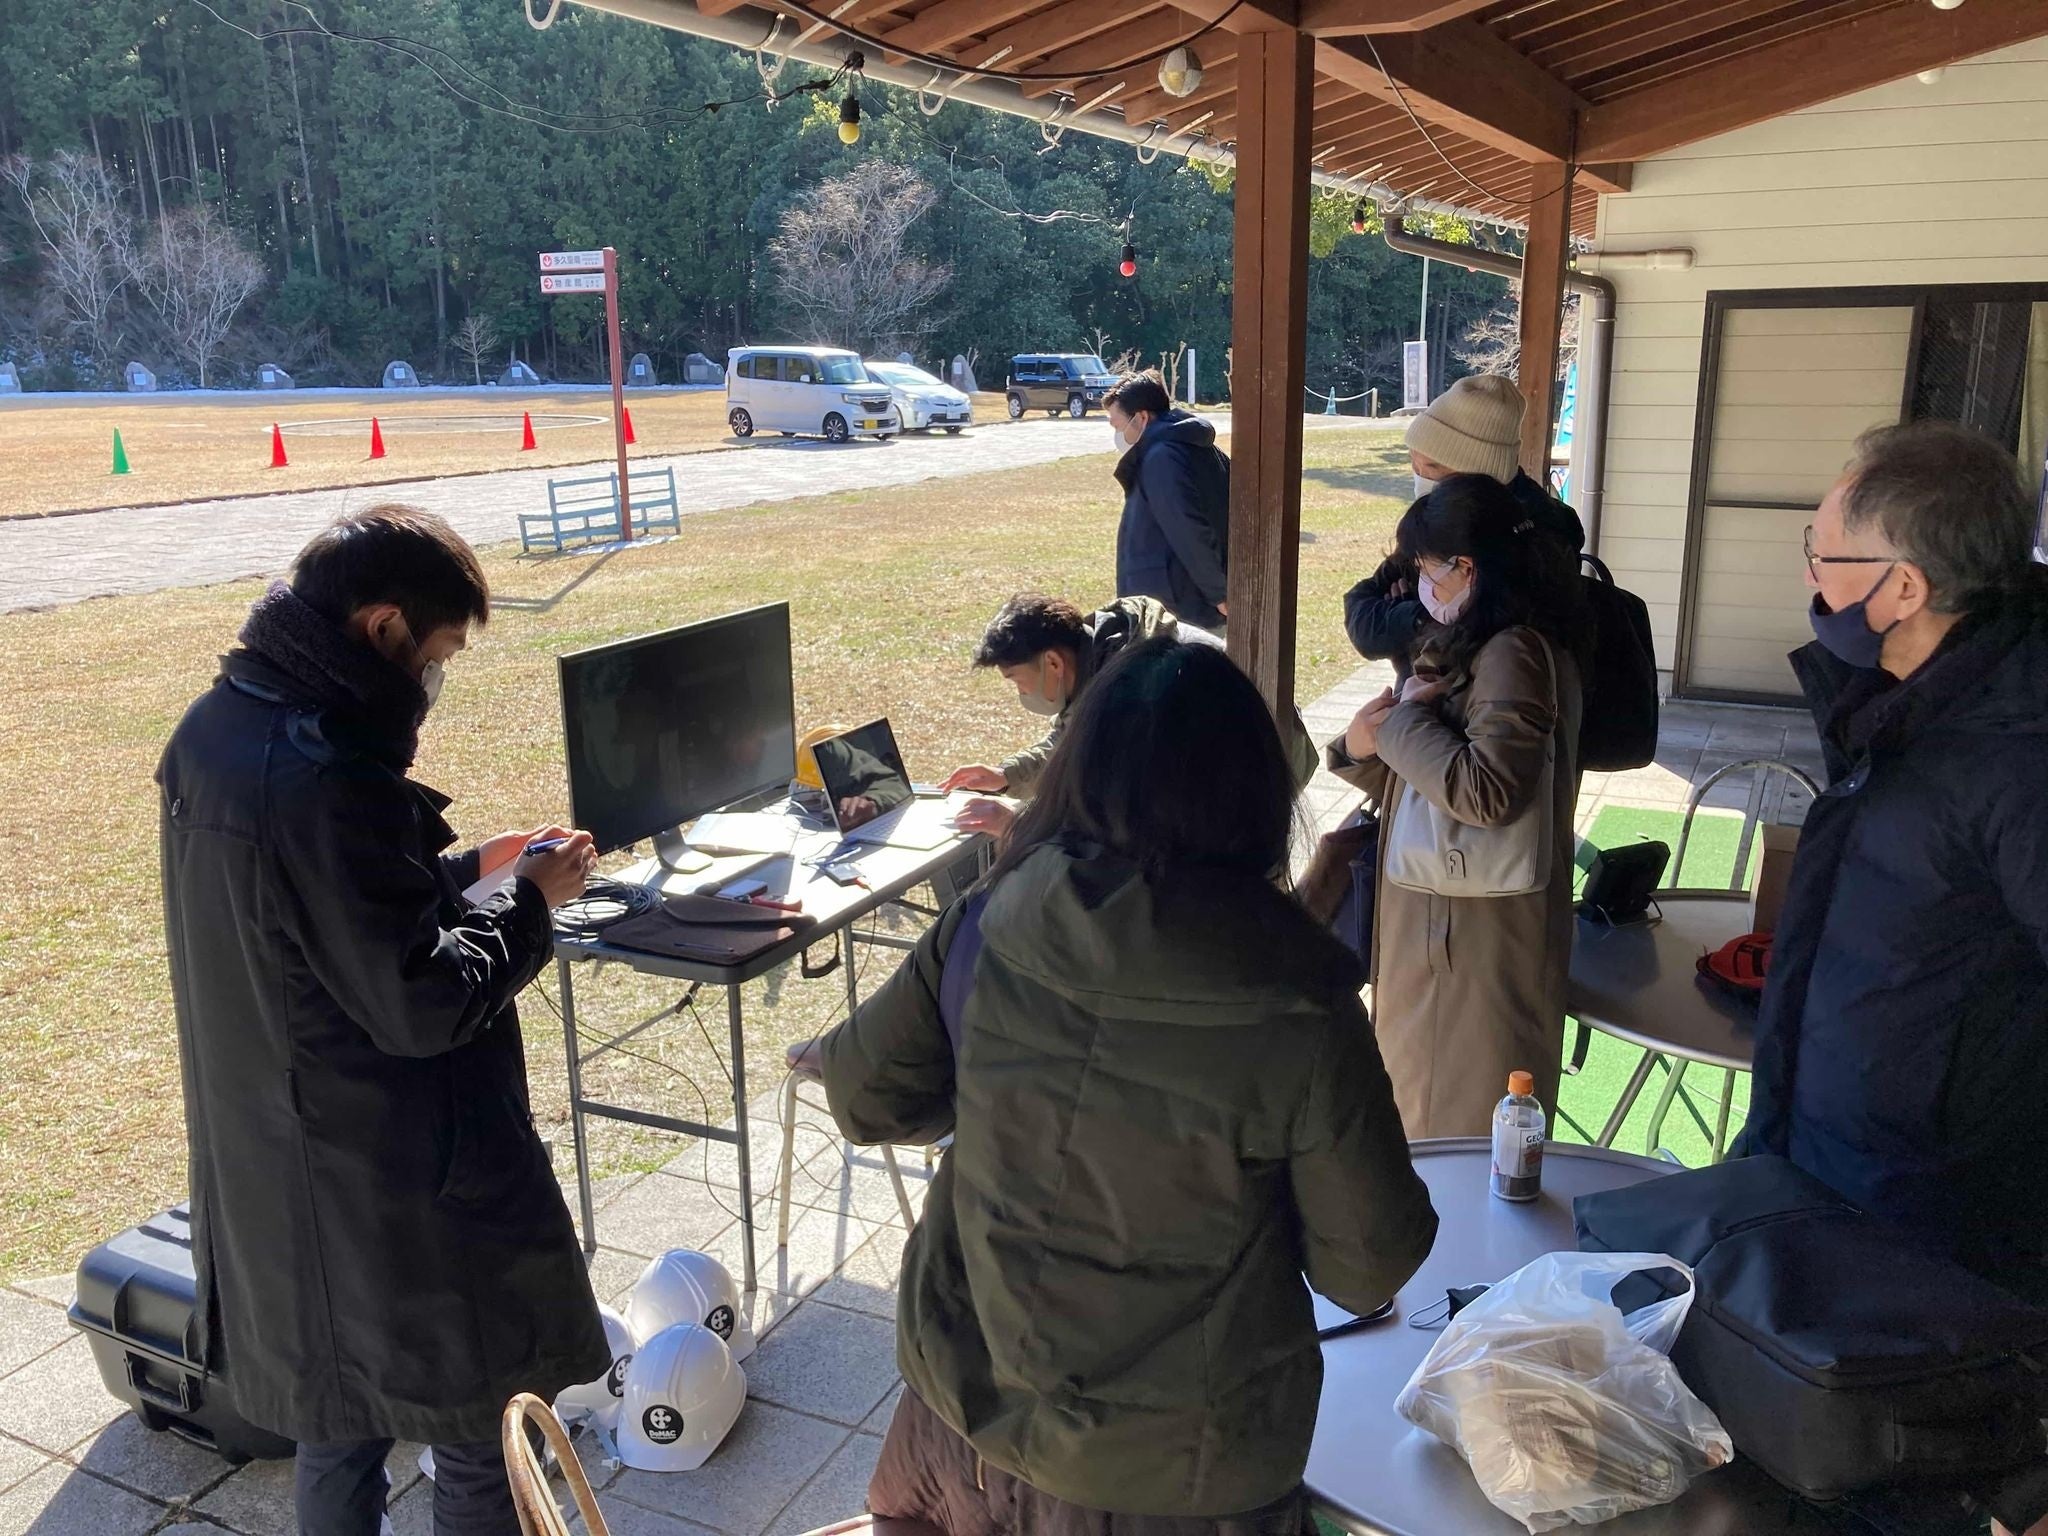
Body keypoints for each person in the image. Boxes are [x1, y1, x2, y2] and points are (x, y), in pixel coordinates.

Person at [797, 637, 1437, 1536]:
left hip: (954, 1422)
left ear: (1079, 770)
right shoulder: (1299, 1001)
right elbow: (1366, 1263)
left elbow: (864, 1097)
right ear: (1252, 793)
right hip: (1170, 1478)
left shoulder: (992, 915)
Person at [156, 506, 611, 1536]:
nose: (433, 681)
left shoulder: (221, 728)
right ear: (380, 626)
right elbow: (420, 1000)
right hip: (397, 1175)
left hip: (286, 1159)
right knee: (478, 1425)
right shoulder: (328, 776)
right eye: (438, 653)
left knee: (340, 1414)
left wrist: (465, 870)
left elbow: (316, 924)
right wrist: (531, 898)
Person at [1743, 421, 2048, 1313]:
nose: (1810, 574)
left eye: (1823, 553)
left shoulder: (2018, 753)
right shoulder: (1896, 704)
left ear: (1905, 587)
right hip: (1824, 1167)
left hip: (1936, 1231)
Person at [1325, 475, 1591, 1138]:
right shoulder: (1489, 646)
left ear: (1464, 568)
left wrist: (1392, 729)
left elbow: (1486, 791)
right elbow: (1432, 786)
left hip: (1471, 949)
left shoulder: (1514, 654)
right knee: (1429, 1126)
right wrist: (1358, 746)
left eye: (1424, 569)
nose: (1420, 585)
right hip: (1448, 933)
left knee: (1458, 1140)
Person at [941, 592, 1315, 837]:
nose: (1021, 693)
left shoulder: (1136, 695)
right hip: (1247, 777)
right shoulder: (1105, 652)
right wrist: (1006, 776)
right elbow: (1070, 742)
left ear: (1052, 662)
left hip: (1248, 795)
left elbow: (1112, 823)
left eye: (1017, 681)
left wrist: (1017, 826)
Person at [1345, 374, 1584, 679]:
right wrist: (1420, 614)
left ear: (1480, 472)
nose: (1420, 477)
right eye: (1414, 463)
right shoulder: (1439, 514)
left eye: (1432, 467)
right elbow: (1362, 614)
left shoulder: (1540, 535)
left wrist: (1411, 613)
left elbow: (1483, 627)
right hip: (1420, 708)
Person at [1107, 372, 1231, 633]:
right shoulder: (1193, 444)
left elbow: (1188, 528)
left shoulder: (1161, 457)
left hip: (1175, 605)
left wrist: (1219, 594)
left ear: (1142, 417)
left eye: (1118, 426)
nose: (1118, 434)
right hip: (1183, 596)